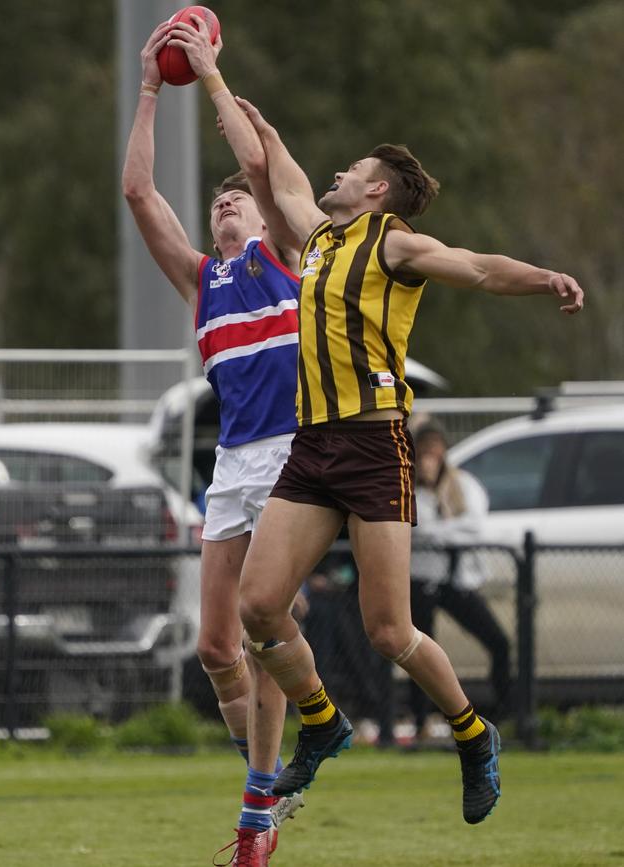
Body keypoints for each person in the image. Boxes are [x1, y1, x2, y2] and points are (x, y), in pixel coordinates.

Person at [227, 97, 584, 827]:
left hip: (373, 447)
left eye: (353, 169)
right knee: (257, 607)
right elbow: (281, 174)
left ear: (378, 189)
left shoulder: (394, 243)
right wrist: (214, 79)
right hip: (313, 445)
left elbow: (480, 268)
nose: (338, 172)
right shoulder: (323, 236)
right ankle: (323, 721)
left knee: (389, 630)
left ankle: (472, 733)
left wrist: (546, 277)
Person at [122, 18, 305, 865]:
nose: (227, 199)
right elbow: (137, 195)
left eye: (236, 196)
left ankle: (261, 807)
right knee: (213, 646)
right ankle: (268, 776)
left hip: (292, 456)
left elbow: (267, 172)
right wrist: (154, 91)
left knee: (268, 636)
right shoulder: (204, 280)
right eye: (218, 197)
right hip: (234, 462)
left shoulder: (281, 256)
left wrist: (212, 74)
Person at [409, 417, 511, 739]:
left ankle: (503, 713)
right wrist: (448, 530)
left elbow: (475, 526)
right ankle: (420, 721)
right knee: (418, 653)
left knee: (498, 642)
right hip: (422, 581)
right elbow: (418, 530)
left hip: (457, 582)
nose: (430, 458)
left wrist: (441, 525)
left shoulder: (462, 484)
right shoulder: (409, 488)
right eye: (423, 451)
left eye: (435, 450)